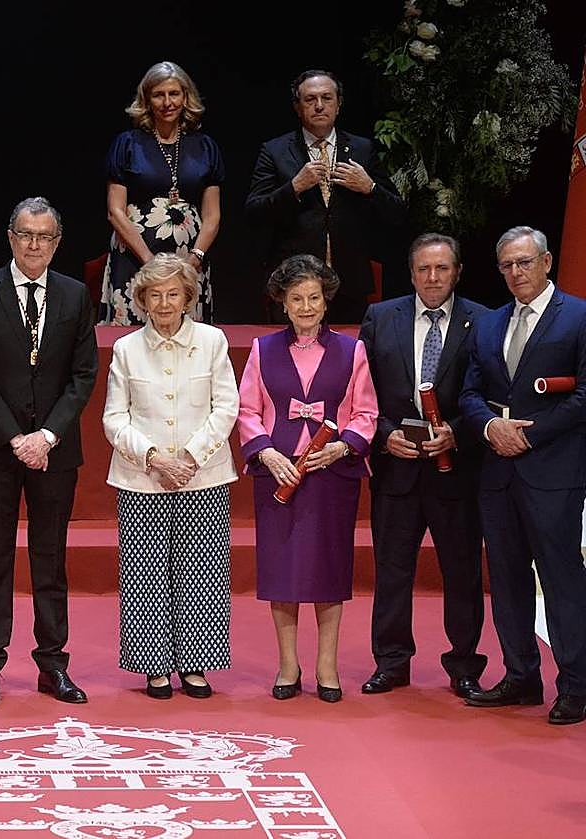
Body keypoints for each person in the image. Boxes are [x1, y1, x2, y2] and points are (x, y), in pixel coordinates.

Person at [0, 196, 99, 706]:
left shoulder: (75, 295)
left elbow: (83, 375)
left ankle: (53, 664)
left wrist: (48, 437)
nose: (34, 244)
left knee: (50, 558)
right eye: (25, 235)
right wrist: (17, 438)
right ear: (10, 238)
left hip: (55, 452)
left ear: (57, 242)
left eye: (44, 236)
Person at [237, 254, 378, 703]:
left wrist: (343, 446)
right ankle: (287, 665)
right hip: (277, 471)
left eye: (313, 297)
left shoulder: (351, 350)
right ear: (282, 302)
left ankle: (327, 667)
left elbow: (367, 412)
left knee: (328, 569)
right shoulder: (262, 349)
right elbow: (246, 410)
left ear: (326, 299)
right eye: (296, 298)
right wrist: (267, 452)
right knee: (283, 572)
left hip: (331, 474)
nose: (305, 306)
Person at [460, 226, 586, 726]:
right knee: (507, 580)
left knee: (561, 581)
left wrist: (529, 436)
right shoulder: (490, 324)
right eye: (507, 265)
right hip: (498, 472)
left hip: (552, 471)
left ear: (547, 262)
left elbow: (584, 396)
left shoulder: (578, 316)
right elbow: (469, 392)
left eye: (525, 262)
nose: (516, 273)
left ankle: (576, 686)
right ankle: (521, 677)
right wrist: (491, 426)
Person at [358, 233, 489, 698]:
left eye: (442, 269)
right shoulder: (380, 316)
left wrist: (459, 429)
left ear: (457, 271)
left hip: (456, 469)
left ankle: (465, 667)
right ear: (410, 273)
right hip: (397, 467)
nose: (432, 278)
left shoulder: (484, 321)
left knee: (462, 571)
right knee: (393, 570)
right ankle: (391, 662)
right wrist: (383, 434)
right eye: (423, 270)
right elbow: (361, 391)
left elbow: (491, 391)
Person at [102, 253, 238, 700]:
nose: (164, 304)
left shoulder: (213, 341)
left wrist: (192, 458)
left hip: (204, 476)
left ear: (188, 299)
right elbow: (114, 419)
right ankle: (154, 665)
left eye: (173, 294)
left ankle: (196, 666)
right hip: (143, 478)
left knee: (203, 573)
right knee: (145, 575)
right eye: (155, 295)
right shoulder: (126, 349)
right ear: (141, 299)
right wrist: (156, 458)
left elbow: (227, 408)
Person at [244, 70, 406, 325]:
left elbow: (397, 213)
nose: (319, 106)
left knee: (348, 359)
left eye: (327, 98)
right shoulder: (275, 151)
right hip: (295, 284)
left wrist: (369, 187)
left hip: (349, 283)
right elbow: (254, 213)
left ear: (338, 105)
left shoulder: (362, 149)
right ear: (298, 108)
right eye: (310, 99)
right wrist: (294, 187)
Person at [99, 61, 223, 325]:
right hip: (136, 257)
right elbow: (115, 211)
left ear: (185, 97)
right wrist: (149, 261)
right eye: (159, 95)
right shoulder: (128, 144)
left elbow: (212, 215)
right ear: (147, 99)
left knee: (188, 336)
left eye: (174, 94)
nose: (167, 102)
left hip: (189, 260)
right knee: (133, 334)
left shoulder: (205, 146)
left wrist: (194, 259)